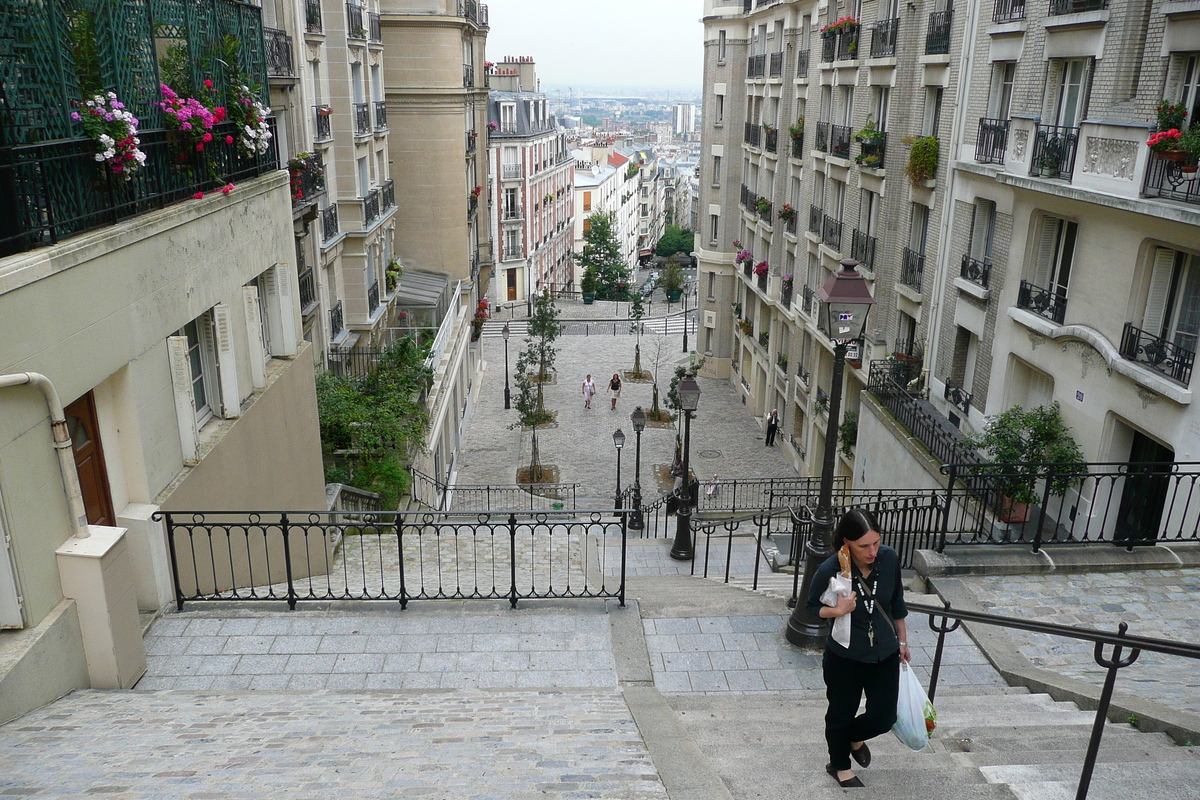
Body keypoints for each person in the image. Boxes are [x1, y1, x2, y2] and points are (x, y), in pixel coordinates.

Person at [805, 508, 910, 789]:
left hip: (884, 652)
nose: (872, 551)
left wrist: (902, 641)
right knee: (841, 712)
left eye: (876, 542)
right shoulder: (831, 570)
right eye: (864, 545)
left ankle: (849, 738)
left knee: (884, 717)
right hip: (845, 656)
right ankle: (839, 765)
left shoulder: (888, 559)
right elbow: (811, 608)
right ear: (846, 543)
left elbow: (897, 603)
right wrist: (838, 609)